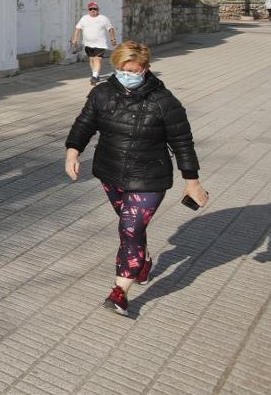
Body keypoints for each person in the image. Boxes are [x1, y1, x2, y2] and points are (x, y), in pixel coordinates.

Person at [64, 41, 208, 316]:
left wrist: (192, 181)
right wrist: (73, 152)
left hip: (149, 177)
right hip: (110, 172)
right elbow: (85, 123)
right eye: (122, 69)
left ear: (146, 69)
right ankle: (142, 263)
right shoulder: (102, 93)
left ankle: (120, 293)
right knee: (133, 229)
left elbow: (182, 142)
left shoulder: (165, 101)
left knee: (129, 230)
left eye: (134, 70)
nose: (128, 74)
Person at [71, 1, 117, 85]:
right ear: (88, 10)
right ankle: (95, 74)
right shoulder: (84, 18)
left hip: (100, 44)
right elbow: (77, 28)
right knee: (92, 59)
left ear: (98, 10)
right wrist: (74, 39)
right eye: (90, 9)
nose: (93, 10)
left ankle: (94, 76)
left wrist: (113, 39)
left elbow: (110, 28)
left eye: (94, 9)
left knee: (97, 59)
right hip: (87, 43)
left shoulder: (103, 18)